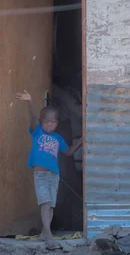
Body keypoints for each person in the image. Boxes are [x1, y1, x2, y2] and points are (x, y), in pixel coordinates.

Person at [16, 90, 82, 244]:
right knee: (45, 203)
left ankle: (43, 234)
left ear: (57, 123)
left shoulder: (58, 138)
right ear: (41, 121)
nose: (50, 124)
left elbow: (69, 152)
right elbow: (32, 117)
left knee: (51, 205)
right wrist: (29, 101)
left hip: (54, 176)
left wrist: (82, 140)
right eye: (46, 121)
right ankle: (49, 235)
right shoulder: (37, 132)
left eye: (53, 122)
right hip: (41, 176)